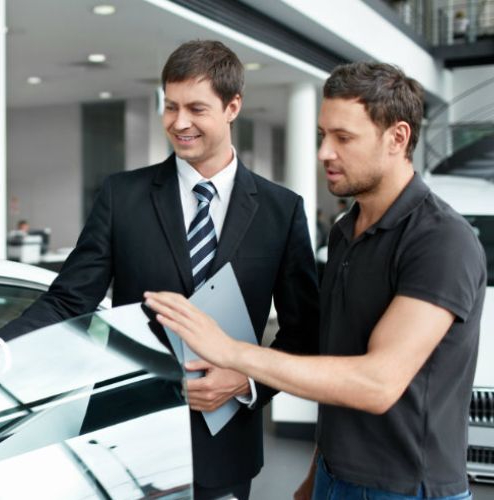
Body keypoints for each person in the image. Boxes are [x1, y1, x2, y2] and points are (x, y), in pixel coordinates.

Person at [0, 40, 319, 500]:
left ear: (233, 107)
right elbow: (70, 299)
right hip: (125, 437)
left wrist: (247, 381)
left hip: (226, 440)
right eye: (170, 106)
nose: (179, 122)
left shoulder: (281, 210)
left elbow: (304, 332)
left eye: (196, 108)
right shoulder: (122, 196)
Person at [145, 62, 487, 500]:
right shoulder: (347, 232)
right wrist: (314, 478)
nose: (324, 152)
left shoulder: (441, 240)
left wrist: (233, 352)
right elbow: (337, 368)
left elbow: (376, 384)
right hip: (334, 477)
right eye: (323, 136)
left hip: (405, 489)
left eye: (343, 138)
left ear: (397, 138)